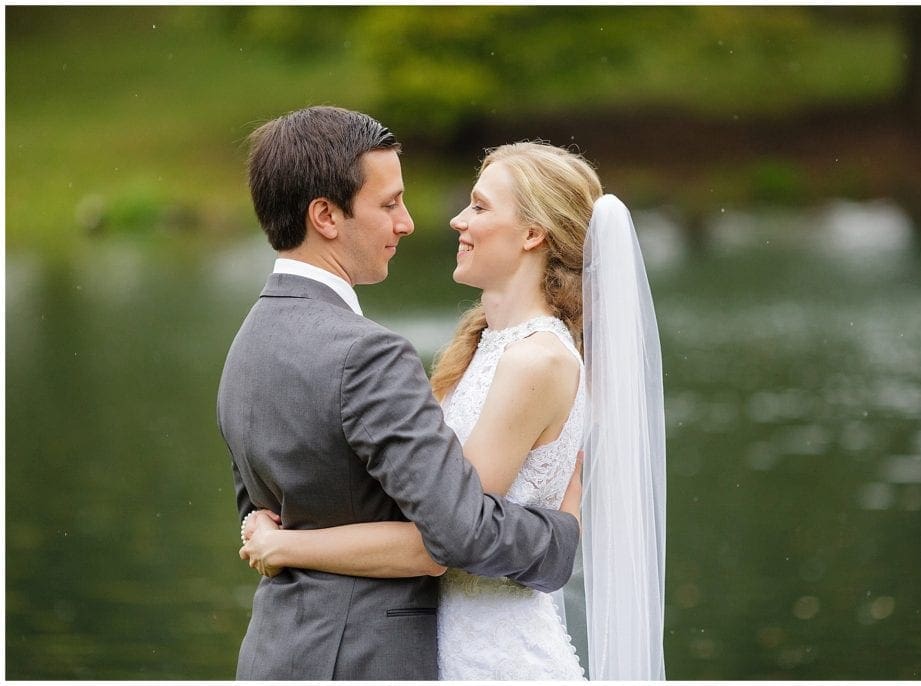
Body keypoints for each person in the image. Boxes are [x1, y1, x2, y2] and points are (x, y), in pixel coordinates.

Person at [241, 141, 667, 680]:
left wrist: (286, 543)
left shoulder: (536, 361)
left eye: (480, 207)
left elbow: (439, 542)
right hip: (443, 638)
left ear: (533, 234)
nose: (457, 220)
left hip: (492, 652)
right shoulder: (488, 347)